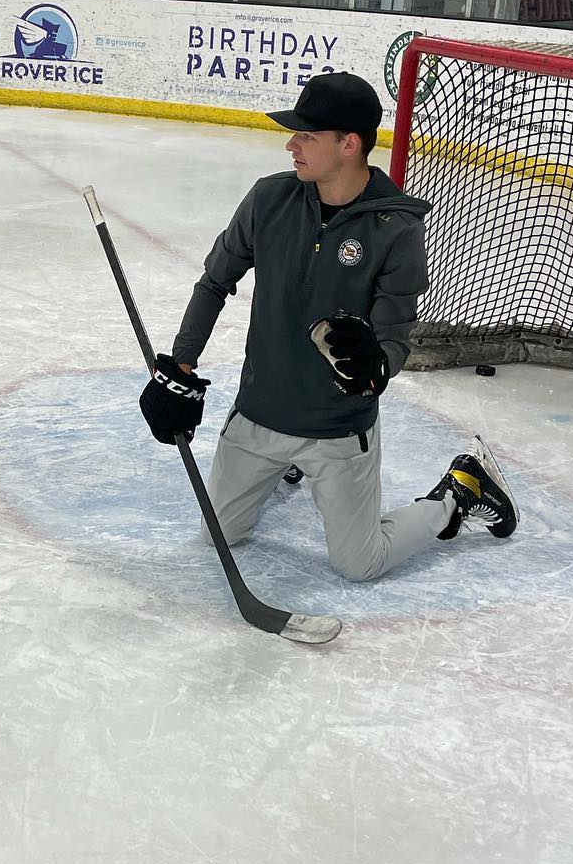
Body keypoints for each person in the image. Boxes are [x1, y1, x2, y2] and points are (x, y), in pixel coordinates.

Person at [138, 69, 517, 583]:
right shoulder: (268, 199)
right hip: (259, 414)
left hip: (336, 429)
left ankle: (458, 493)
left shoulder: (396, 229)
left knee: (361, 564)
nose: (291, 145)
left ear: (349, 144)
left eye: (307, 135)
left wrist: (375, 368)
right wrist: (181, 365)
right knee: (219, 533)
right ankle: (279, 468)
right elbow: (213, 282)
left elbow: (395, 334)